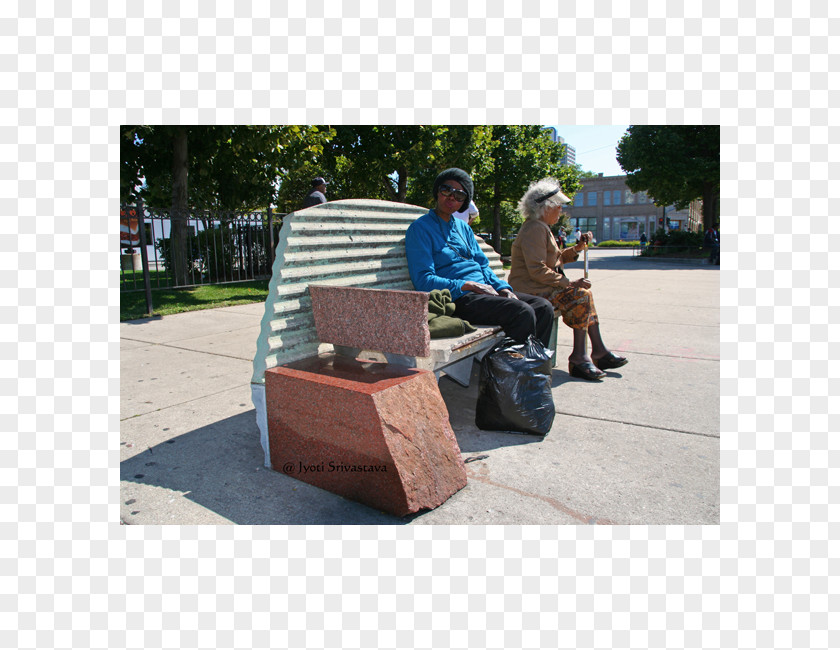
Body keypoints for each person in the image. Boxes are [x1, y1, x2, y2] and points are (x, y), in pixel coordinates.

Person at [404, 168, 555, 348]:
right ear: (438, 191)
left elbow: (482, 265)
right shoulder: (420, 229)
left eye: (460, 195)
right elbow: (423, 280)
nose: (452, 197)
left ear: (464, 202)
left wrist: (503, 289)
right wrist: (467, 285)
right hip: (458, 298)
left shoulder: (463, 228)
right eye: (447, 190)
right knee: (522, 312)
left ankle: (533, 367)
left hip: (483, 293)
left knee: (543, 307)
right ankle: (511, 372)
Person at [507, 177, 628, 381]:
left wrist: (577, 248)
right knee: (580, 295)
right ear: (546, 207)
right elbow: (537, 269)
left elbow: (555, 259)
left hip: (540, 288)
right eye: (559, 207)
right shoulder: (535, 228)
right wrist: (569, 284)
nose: (561, 211)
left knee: (583, 294)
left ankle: (596, 352)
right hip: (531, 291)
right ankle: (582, 357)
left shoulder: (541, 227)